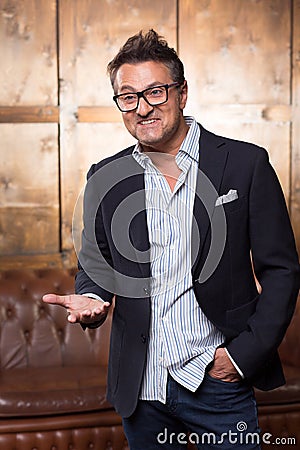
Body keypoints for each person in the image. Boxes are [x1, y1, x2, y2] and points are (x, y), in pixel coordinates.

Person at [43, 30, 300, 449]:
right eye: (128, 96)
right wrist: (91, 299)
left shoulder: (244, 165)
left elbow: (282, 272)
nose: (143, 108)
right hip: (142, 388)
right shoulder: (105, 178)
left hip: (217, 381)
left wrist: (240, 358)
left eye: (155, 92)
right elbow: (96, 266)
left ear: (182, 93)